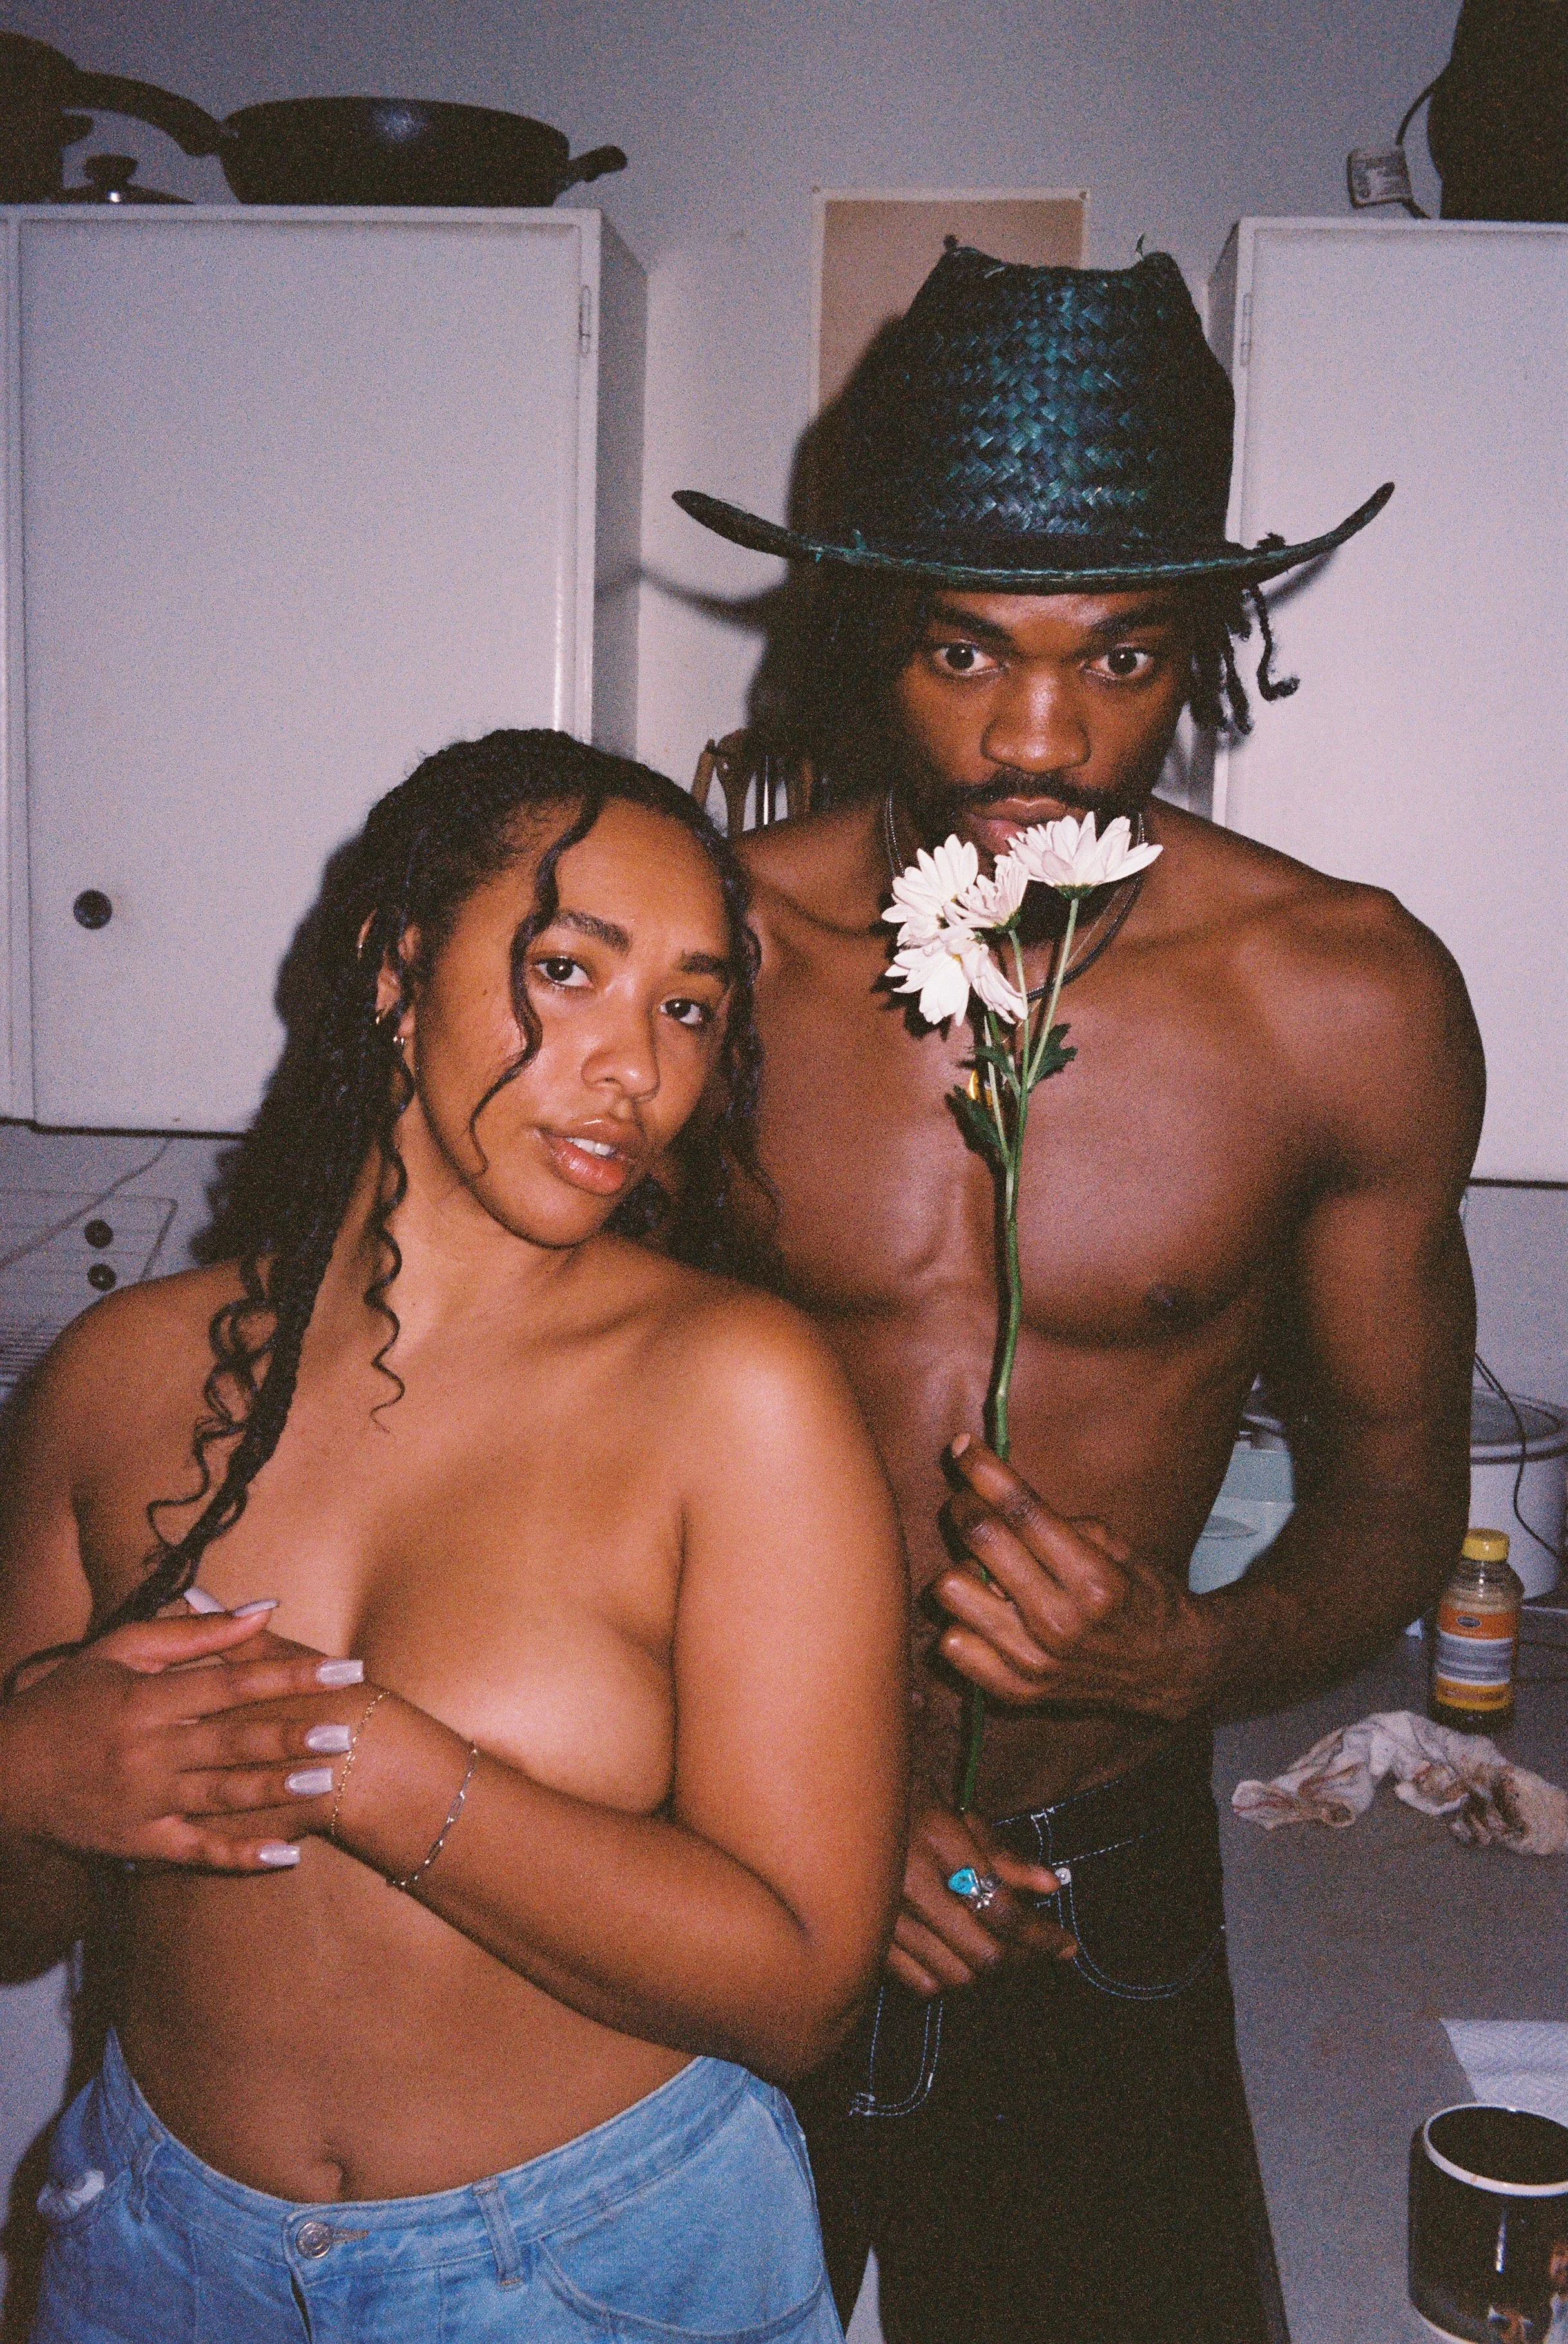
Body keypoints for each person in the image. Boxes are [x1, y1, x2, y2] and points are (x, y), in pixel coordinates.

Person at [675, 246, 1485, 2343]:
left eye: (1122, 657)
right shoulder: (699, 963)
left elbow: (1398, 1498)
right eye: (962, 651)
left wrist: (1194, 1642)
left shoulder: (1343, 1001)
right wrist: (815, 1807)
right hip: (706, 1846)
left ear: (1211, 643)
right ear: (869, 633)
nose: (1038, 732)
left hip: (1074, 1873)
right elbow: (537, 1454)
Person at [0, 730, 909, 2344]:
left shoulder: (735, 1394)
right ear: (396, 970)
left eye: (687, 1009)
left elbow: (803, 1980)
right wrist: (28, 1771)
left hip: (595, 2267)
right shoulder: (113, 1379)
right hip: (151, 2252)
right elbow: (20, 1924)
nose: (635, 1067)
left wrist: (365, 1759)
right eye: (570, 971)